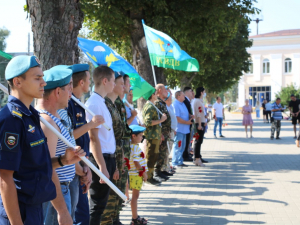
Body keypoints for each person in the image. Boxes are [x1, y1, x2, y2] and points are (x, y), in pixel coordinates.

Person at [0, 55, 84, 224]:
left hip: (35, 207)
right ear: (17, 82)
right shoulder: (10, 119)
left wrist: (62, 160)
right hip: (18, 212)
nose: (43, 83)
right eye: (37, 78)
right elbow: (4, 177)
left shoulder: (31, 116)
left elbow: (35, 164)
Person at [36, 65, 85, 225]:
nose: (71, 93)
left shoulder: (53, 117)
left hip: (62, 189)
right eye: (68, 88)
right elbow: (47, 170)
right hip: (55, 194)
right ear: (57, 92)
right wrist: (62, 211)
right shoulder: (47, 121)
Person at [68, 64, 104, 225]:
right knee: (78, 216)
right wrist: (90, 125)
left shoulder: (78, 104)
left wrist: (86, 166)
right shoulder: (69, 104)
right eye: (88, 79)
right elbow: (67, 138)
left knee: (82, 215)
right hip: (72, 166)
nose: (90, 83)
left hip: (81, 164)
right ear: (81, 82)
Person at [85, 66, 116, 225]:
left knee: (101, 205)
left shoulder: (101, 102)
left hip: (107, 158)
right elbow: (94, 138)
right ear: (105, 81)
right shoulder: (95, 104)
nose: (114, 85)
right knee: (96, 205)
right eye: (112, 80)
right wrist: (102, 167)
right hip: (100, 158)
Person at [101, 71, 126, 225]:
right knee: (107, 200)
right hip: (110, 158)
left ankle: (114, 219)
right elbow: (109, 137)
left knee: (116, 196)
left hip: (117, 156)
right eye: (121, 83)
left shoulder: (113, 105)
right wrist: (116, 165)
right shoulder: (105, 105)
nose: (124, 87)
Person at [112, 72, 133, 224]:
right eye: (126, 83)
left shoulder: (121, 103)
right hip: (118, 153)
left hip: (123, 151)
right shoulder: (116, 103)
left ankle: (116, 217)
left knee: (121, 187)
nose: (128, 86)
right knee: (116, 188)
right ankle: (113, 218)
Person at [142, 89, 167, 186]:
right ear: (152, 95)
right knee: (150, 157)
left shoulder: (152, 106)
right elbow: (148, 122)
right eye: (155, 93)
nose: (157, 95)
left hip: (155, 136)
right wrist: (161, 120)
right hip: (151, 136)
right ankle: (148, 177)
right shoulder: (149, 106)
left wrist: (159, 133)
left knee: (153, 157)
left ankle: (151, 176)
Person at [128, 125, 149, 225]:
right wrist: (143, 173)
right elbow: (136, 163)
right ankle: (135, 218)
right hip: (136, 175)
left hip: (134, 174)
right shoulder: (135, 148)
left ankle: (135, 216)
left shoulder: (131, 146)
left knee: (135, 197)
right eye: (140, 135)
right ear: (133, 136)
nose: (142, 137)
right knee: (135, 197)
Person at [154, 84, 171, 181]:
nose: (167, 91)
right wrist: (160, 133)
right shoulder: (157, 103)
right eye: (165, 89)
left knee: (163, 153)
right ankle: (157, 173)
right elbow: (157, 119)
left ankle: (160, 170)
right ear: (159, 90)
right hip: (161, 133)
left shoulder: (162, 103)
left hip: (165, 132)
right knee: (159, 153)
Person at [172, 91, 193, 168]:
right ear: (178, 96)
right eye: (183, 95)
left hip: (184, 130)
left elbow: (185, 114)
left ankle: (180, 161)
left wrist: (190, 116)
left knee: (183, 147)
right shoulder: (176, 104)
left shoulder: (183, 103)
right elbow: (177, 118)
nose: (184, 96)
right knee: (178, 146)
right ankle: (175, 162)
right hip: (179, 129)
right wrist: (187, 122)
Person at [192, 87, 206, 167]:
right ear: (201, 92)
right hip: (199, 123)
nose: (204, 93)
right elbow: (199, 114)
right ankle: (197, 159)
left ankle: (197, 158)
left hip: (200, 122)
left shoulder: (198, 101)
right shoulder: (198, 101)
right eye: (204, 91)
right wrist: (200, 125)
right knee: (198, 142)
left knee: (198, 141)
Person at [164, 91, 177, 175]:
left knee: (169, 150)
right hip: (168, 131)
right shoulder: (166, 107)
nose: (172, 97)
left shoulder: (170, 106)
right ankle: (166, 167)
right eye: (170, 95)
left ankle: (168, 166)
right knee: (167, 150)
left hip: (172, 131)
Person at [182, 87, 195, 161]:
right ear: (186, 92)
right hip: (186, 123)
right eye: (190, 91)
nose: (192, 93)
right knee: (186, 140)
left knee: (188, 140)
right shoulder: (185, 100)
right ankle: (185, 155)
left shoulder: (188, 100)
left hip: (188, 123)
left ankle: (186, 154)